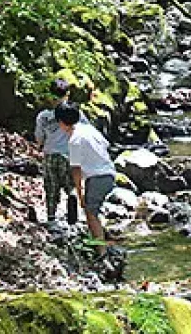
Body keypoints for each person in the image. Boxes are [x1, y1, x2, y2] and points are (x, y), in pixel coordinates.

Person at [55, 102, 116, 257]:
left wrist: (80, 193)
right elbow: (106, 145)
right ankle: (102, 239)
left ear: (62, 123)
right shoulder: (89, 129)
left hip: (97, 178)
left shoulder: (74, 141)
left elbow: (76, 170)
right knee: (94, 210)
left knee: (90, 212)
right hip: (109, 172)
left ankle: (101, 251)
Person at [34, 79, 82, 225]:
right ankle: (72, 197)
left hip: (50, 155)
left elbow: (39, 137)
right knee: (70, 184)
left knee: (51, 187)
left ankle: (51, 217)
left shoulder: (43, 116)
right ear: (67, 94)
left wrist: (41, 145)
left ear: (49, 95)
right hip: (68, 155)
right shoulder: (74, 113)